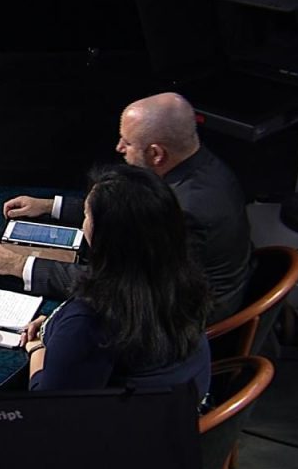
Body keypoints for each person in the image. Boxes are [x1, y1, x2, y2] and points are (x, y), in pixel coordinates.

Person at [0, 92, 251, 322]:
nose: (118, 148)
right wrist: (51, 206)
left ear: (156, 154)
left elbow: (122, 284)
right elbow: (124, 207)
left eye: (127, 143)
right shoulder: (200, 165)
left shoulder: (186, 212)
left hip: (182, 324)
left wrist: (19, 265)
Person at [19, 165, 211, 400]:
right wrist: (56, 328)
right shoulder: (182, 282)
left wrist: (37, 348)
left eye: (87, 215)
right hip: (177, 422)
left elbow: (49, 409)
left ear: (106, 237)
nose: (82, 224)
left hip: (116, 432)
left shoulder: (92, 320)